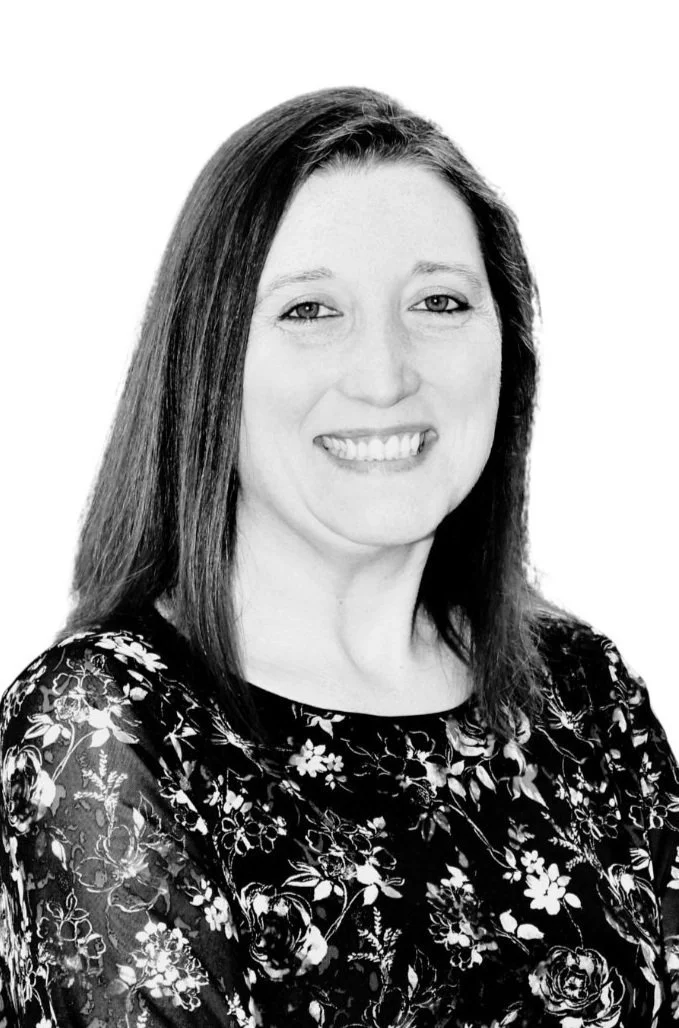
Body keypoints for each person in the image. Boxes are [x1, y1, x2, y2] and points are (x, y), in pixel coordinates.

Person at [0, 85, 677, 1028]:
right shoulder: (103, 732)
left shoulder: (583, 696)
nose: (384, 375)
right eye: (310, 311)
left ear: (506, 347)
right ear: (208, 362)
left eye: (438, 302)